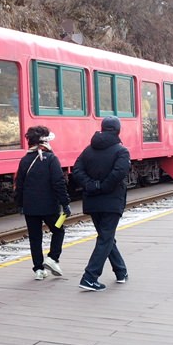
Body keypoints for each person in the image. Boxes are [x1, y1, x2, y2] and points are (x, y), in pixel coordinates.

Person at [71, 117, 130, 291]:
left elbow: (77, 170)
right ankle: (89, 277)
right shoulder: (121, 151)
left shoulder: (88, 150)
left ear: (102, 129)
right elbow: (119, 173)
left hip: (93, 201)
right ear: (118, 131)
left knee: (106, 237)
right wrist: (103, 186)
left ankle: (121, 271)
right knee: (105, 238)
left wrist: (91, 185)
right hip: (111, 202)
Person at [14, 126, 70, 280]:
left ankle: (38, 269)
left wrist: (20, 204)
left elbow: (19, 185)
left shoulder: (25, 160)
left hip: (30, 208)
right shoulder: (51, 159)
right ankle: (52, 258)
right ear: (44, 141)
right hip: (50, 208)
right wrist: (65, 203)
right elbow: (58, 182)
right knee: (58, 230)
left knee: (35, 237)